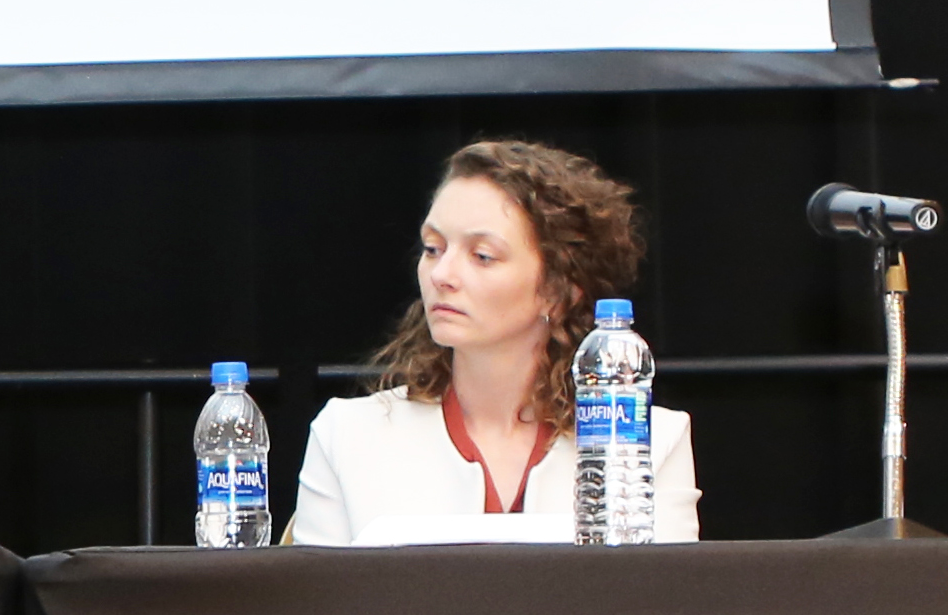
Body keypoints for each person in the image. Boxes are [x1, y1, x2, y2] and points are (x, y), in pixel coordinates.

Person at [289, 139, 701, 545]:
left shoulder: (650, 440)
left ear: (559, 291)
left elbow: (662, 606)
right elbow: (313, 610)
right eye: (433, 248)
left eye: (482, 255)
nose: (441, 275)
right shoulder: (347, 436)